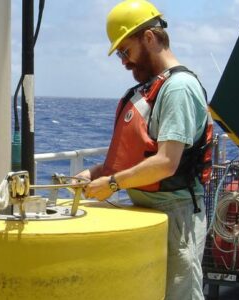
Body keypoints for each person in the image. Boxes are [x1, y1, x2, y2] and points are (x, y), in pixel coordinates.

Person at [76, 1, 212, 299]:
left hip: (177, 216)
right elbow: (135, 159)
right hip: (146, 209)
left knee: (180, 292)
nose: (124, 62)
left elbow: (165, 163)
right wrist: (94, 173)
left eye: (125, 51)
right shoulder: (151, 89)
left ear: (149, 38)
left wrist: (112, 184)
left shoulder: (178, 89)